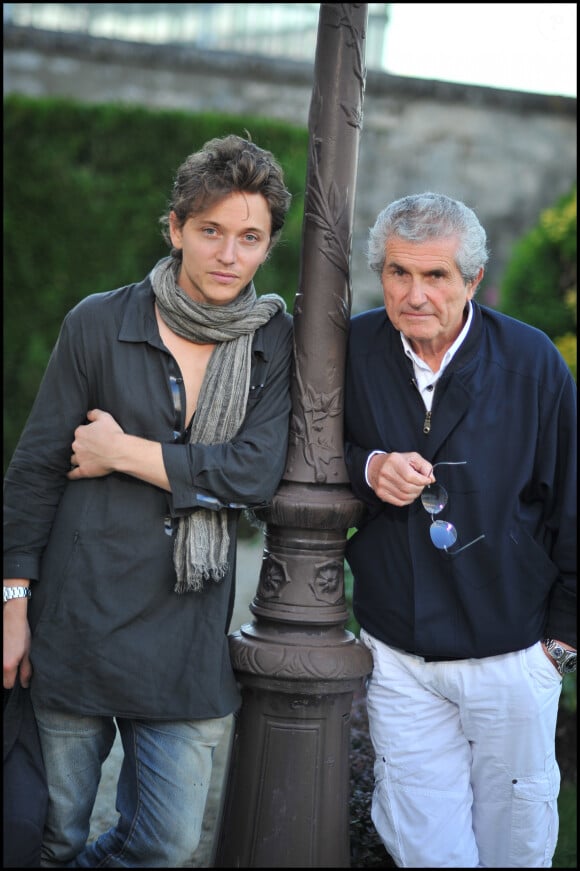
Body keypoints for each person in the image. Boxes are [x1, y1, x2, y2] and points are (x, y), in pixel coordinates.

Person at [3, 133, 294, 868]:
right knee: (52, 833)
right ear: (175, 228)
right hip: (77, 619)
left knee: (166, 842)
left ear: (268, 246)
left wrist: (120, 452)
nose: (229, 253)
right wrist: (11, 604)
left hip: (187, 636)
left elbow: (255, 473)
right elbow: (37, 469)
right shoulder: (99, 322)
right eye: (211, 231)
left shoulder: (272, 340)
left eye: (249, 237)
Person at [344, 192, 576, 868]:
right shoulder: (350, 347)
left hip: (512, 651)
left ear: (472, 280)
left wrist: (557, 648)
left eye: (436, 275)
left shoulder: (531, 362)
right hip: (401, 655)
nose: (414, 294)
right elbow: (296, 451)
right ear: (379, 273)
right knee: (423, 845)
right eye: (398, 273)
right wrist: (369, 466)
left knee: (518, 845)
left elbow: (573, 503)